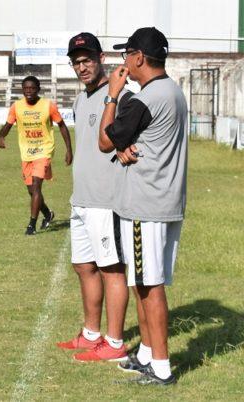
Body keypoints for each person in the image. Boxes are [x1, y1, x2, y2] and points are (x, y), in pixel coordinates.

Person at [99, 27, 188, 385]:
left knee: (150, 286)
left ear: (138, 58)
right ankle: (148, 353)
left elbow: (105, 141)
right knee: (145, 281)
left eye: (126, 55)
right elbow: (137, 139)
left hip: (145, 205)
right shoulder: (173, 91)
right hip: (164, 200)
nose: (123, 62)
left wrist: (112, 96)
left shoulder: (144, 98)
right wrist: (125, 144)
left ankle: (161, 367)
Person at [56, 33, 130, 362]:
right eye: (76, 62)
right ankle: (90, 334)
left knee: (111, 268)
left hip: (106, 199)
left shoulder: (119, 96)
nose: (82, 67)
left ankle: (114, 342)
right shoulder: (80, 99)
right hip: (81, 198)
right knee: (83, 265)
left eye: (87, 60)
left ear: (100, 58)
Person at [0, 76, 73, 235]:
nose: (29, 91)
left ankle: (31, 225)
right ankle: (47, 214)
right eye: (26, 88)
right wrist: (1, 136)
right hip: (26, 152)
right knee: (32, 191)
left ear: (38, 89)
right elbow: (8, 124)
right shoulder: (16, 107)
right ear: (22, 89)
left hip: (44, 151)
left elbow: (62, 126)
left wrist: (69, 150)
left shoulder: (48, 106)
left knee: (37, 186)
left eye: (32, 88)